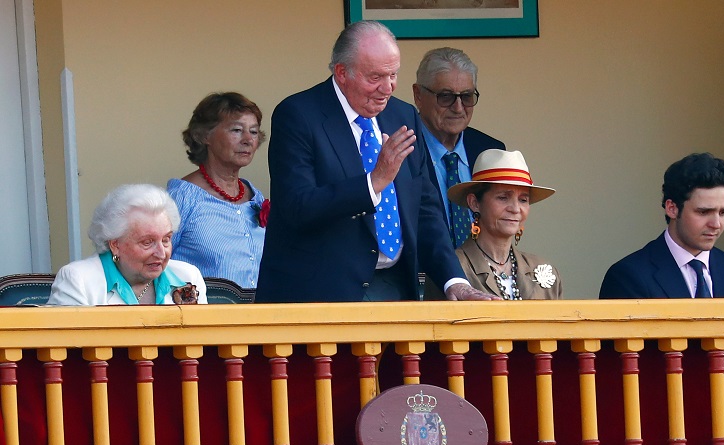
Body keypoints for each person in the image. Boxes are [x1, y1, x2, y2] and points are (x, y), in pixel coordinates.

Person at [255, 21, 497, 303]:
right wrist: (374, 182)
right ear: (342, 73)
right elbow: (297, 206)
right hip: (321, 294)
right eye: (375, 78)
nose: (388, 88)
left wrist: (454, 282)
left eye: (393, 74)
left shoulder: (403, 116)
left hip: (394, 287)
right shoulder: (298, 115)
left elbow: (425, 210)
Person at [599, 152, 724, 299]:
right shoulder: (628, 276)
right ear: (672, 208)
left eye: (723, 212)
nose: (716, 224)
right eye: (703, 212)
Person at [425, 149, 562, 300]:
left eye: (523, 200)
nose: (515, 209)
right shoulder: (451, 270)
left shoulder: (543, 268)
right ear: (475, 203)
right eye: (503, 197)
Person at [167, 92, 268, 289]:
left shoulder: (255, 198)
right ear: (204, 135)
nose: (248, 139)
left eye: (254, 132)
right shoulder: (181, 198)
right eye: (237, 130)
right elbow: (152, 266)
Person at [48, 184, 207, 306]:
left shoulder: (188, 277)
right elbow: (70, 347)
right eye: (147, 242)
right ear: (115, 244)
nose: (161, 253)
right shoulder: (79, 281)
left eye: (166, 240)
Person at [413, 47, 505, 248]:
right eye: (446, 96)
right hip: (422, 276)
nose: (458, 107)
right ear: (418, 95)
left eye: (466, 96)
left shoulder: (491, 151)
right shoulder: (402, 150)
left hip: (482, 276)